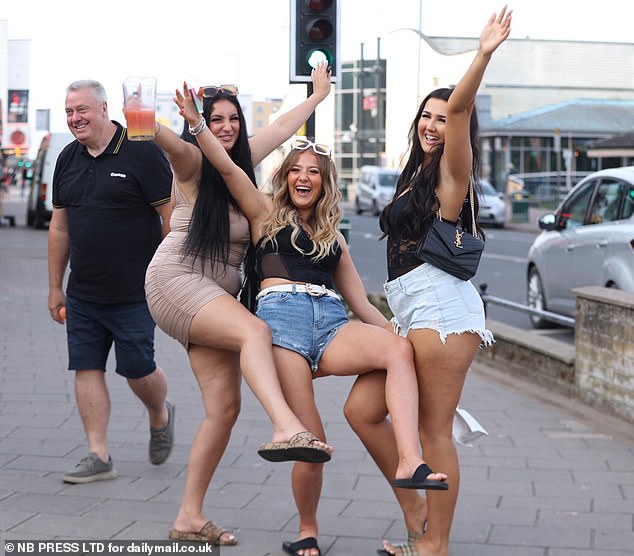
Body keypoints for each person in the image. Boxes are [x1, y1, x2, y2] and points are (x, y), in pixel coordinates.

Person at [175, 81, 450, 554]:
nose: (304, 178)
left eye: (314, 173)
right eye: (295, 171)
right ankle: (308, 529)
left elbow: (362, 305)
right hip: (283, 328)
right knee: (312, 440)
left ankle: (409, 459)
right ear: (284, 179)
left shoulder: (333, 237)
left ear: (324, 183)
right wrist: (197, 125)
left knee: (397, 349)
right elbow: (224, 165)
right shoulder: (263, 214)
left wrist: (403, 333)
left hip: (331, 321)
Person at [144, 65, 336, 546]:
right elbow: (166, 141)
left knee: (224, 408)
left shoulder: (244, 160)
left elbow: (280, 128)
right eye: (217, 119)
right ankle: (284, 426)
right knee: (255, 332)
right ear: (204, 121)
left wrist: (316, 98)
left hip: (212, 298)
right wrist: (176, 122)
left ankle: (189, 516)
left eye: (233, 118)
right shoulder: (193, 161)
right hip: (177, 280)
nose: (226, 126)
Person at [344, 7, 512, 556]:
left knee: (433, 432)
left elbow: (462, 108)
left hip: (442, 313)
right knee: (362, 411)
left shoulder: (451, 171)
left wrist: (482, 53)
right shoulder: (413, 172)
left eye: (443, 118)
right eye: (427, 116)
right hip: (413, 311)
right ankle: (419, 518)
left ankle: (433, 544)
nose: (434, 125)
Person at [47, 80, 175, 484]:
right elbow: (59, 228)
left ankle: (160, 413)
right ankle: (98, 455)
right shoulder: (67, 159)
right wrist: (55, 286)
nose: (75, 119)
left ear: (104, 108)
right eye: (69, 112)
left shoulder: (141, 152)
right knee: (86, 367)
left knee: (138, 370)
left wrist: (168, 274)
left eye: (81, 110)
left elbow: (171, 215)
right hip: (84, 293)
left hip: (136, 292)